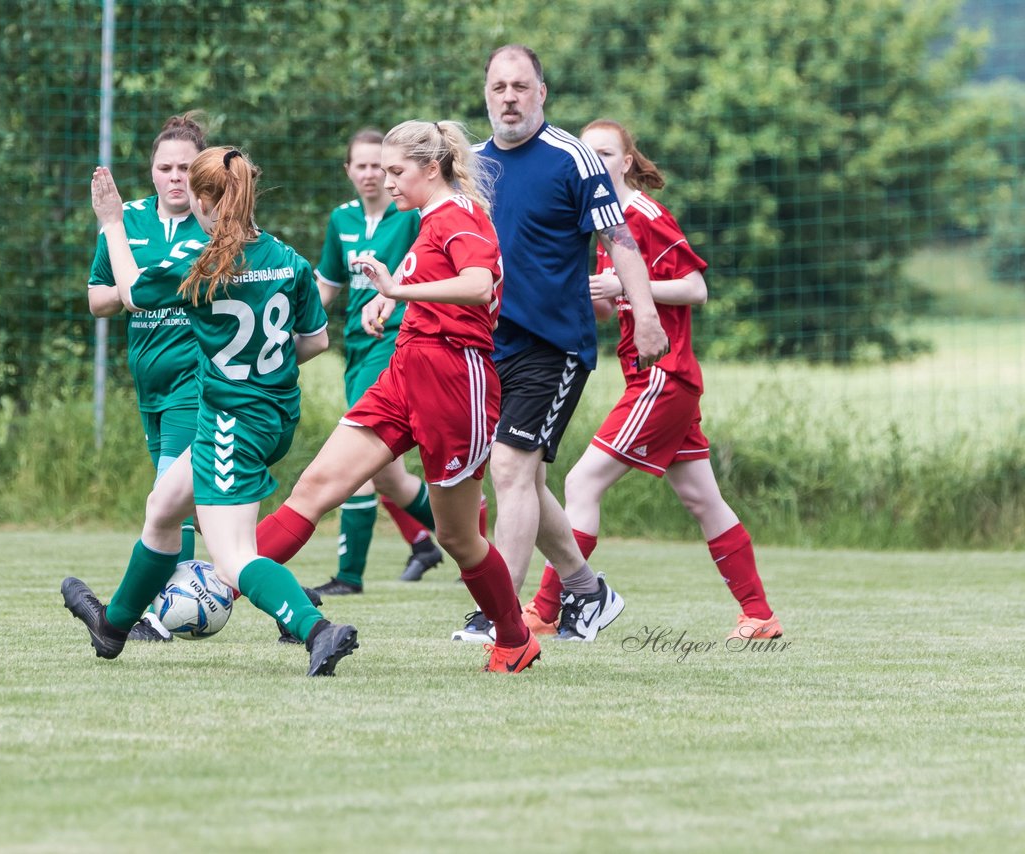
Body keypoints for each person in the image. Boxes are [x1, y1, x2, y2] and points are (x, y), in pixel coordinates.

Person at [255, 119, 555, 673]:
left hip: (454, 378)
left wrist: (395, 289)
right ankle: (217, 586)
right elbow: (434, 287)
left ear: (431, 168)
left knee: (458, 538)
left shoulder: (460, 212)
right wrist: (390, 304)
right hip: (404, 372)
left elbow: (478, 285)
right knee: (316, 488)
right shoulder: (425, 220)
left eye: (397, 171)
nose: (387, 181)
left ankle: (514, 639)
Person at [62, 147, 360, 676]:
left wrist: (111, 223)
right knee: (163, 507)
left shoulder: (202, 264)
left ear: (203, 202)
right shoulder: (288, 258)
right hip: (273, 415)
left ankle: (316, 629)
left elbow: (130, 294)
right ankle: (113, 628)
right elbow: (314, 341)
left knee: (232, 558)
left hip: (231, 423)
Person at [524, 119, 782, 642]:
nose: (594, 161)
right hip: (664, 381)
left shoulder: (641, 214)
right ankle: (759, 616)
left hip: (661, 377)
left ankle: (546, 611)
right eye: (585, 154)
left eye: (605, 153)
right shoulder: (601, 223)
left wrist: (623, 283)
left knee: (580, 483)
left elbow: (694, 288)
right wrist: (595, 294)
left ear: (625, 161)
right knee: (703, 501)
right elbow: (615, 303)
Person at [450, 44, 670, 645]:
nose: (509, 98)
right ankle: (588, 591)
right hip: (489, 344)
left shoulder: (572, 157)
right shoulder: (469, 165)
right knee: (525, 482)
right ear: (486, 93)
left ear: (541, 92)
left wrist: (645, 313)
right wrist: (397, 292)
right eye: (499, 88)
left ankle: (501, 615)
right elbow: (443, 238)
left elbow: (620, 240)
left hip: (556, 342)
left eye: (521, 86)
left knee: (511, 469)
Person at [311, 128, 447, 594]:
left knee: (358, 461)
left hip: (395, 341)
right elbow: (327, 285)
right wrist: (287, 318)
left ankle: (349, 578)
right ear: (348, 170)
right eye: (362, 165)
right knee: (391, 478)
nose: (372, 174)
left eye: (380, 165)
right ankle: (464, 535)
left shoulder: (409, 213)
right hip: (356, 345)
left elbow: (428, 270)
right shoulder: (341, 220)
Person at [86, 113, 205, 635]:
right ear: (152, 172)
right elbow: (97, 298)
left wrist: (143, 290)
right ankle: (288, 595)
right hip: (149, 387)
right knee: (207, 513)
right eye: (166, 167)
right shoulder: (127, 220)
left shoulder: (213, 224)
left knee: (167, 501)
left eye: (185, 167)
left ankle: (157, 614)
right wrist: (138, 293)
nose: (176, 176)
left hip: (194, 382)